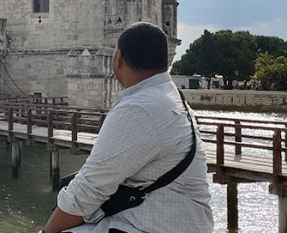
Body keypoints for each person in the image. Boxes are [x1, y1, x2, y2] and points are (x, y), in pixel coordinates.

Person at [43, 22, 214, 233]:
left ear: (118, 59)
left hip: (154, 225)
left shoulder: (139, 107)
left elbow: (88, 190)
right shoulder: (171, 97)